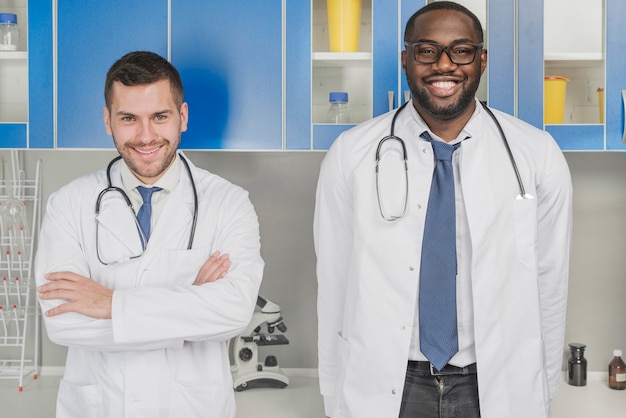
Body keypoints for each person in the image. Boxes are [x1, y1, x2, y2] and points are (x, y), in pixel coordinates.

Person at [313, 2, 572, 417]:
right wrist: (333, 392)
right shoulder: (351, 155)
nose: (444, 65)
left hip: (497, 383)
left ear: (482, 60)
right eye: (427, 50)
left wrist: (542, 388)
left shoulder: (536, 155)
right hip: (388, 383)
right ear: (406, 59)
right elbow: (334, 281)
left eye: (462, 50)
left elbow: (550, 281)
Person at [35, 51, 264, 418]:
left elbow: (234, 311)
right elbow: (63, 322)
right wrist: (192, 311)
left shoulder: (229, 202)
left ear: (182, 117)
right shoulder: (68, 204)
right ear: (108, 120)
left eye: (160, 117)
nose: (145, 136)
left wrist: (110, 305)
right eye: (128, 118)